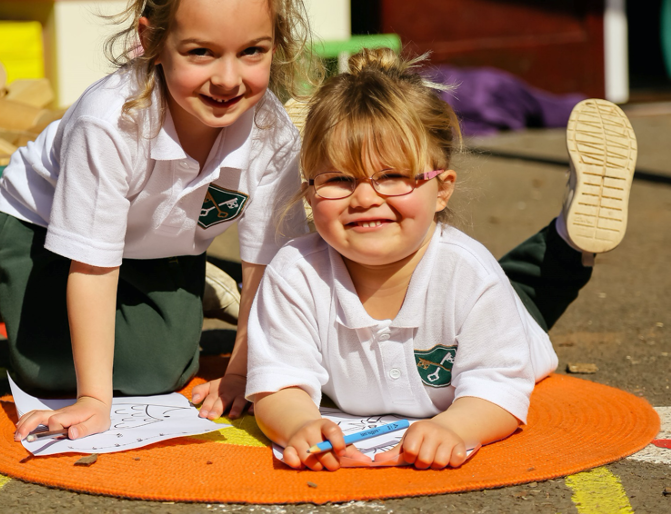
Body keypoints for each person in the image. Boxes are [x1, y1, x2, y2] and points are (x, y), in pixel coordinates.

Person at [0, 0, 316, 442]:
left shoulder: (271, 131)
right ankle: (186, 293)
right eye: (201, 52)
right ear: (151, 41)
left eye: (252, 51)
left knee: (161, 373)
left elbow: (267, 262)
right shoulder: (110, 123)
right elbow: (92, 265)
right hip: (47, 234)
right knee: (47, 373)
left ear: (276, 42)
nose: (228, 79)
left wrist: (242, 372)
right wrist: (94, 401)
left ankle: (194, 285)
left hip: (162, 243)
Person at [246, 48, 637, 471]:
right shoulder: (294, 273)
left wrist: (456, 426)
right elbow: (277, 383)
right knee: (498, 279)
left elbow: (498, 388)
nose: (364, 198)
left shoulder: (470, 274)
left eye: (392, 176)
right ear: (309, 193)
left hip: (504, 318)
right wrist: (300, 423)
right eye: (338, 179)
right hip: (453, 293)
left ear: (443, 189)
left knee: (527, 290)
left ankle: (570, 240)